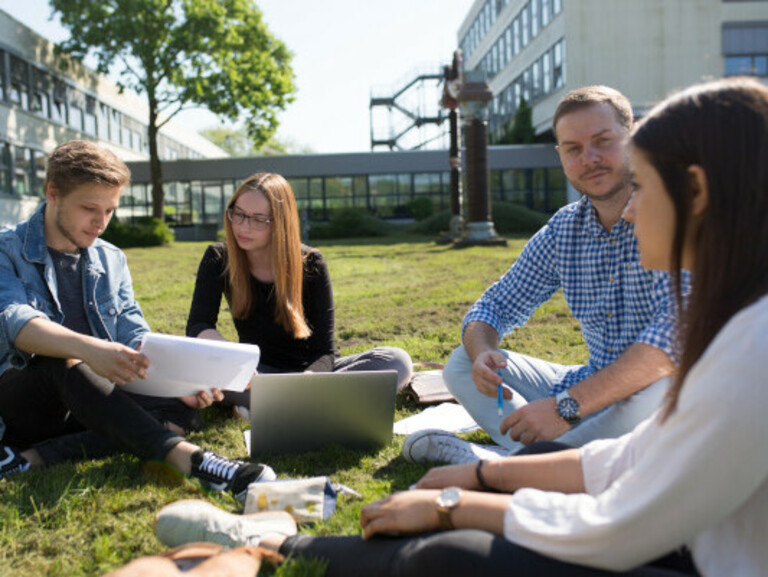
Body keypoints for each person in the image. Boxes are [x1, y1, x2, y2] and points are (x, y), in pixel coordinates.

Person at [154, 77, 768, 576]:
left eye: (644, 182)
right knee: (460, 387)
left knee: (450, 548)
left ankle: (265, 545)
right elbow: (622, 458)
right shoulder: (726, 310)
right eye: (573, 148)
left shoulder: (747, 345)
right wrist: (482, 472)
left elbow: (622, 522)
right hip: (625, 454)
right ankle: (268, 539)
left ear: (697, 192)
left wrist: (458, 503)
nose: (631, 204)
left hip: (664, 505)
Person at [404, 85, 683, 465]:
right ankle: (538, 459)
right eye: (573, 149)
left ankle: (515, 463)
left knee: (660, 388)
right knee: (462, 363)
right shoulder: (564, 229)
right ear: (561, 155)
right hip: (590, 386)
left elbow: (667, 347)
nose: (590, 158)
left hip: (656, 394)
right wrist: (484, 352)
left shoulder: (670, 213)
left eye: (603, 141)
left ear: (633, 138)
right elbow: (495, 305)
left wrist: (563, 409)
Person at [0, 140, 274, 499]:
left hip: (95, 401)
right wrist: (92, 350)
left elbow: (134, 334)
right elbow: (17, 323)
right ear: (53, 194)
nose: (101, 223)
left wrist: (180, 383)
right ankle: (191, 460)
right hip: (28, 401)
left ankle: (30, 459)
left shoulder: (110, 259)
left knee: (183, 408)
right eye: (90, 209)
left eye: (110, 211)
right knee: (62, 358)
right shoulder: (7, 249)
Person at [185, 172, 412, 411]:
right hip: (254, 375)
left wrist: (308, 381)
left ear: (280, 222)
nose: (243, 226)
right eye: (238, 214)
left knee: (397, 361)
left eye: (258, 219)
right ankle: (310, 406)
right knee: (195, 372)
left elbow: (325, 351)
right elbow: (198, 325)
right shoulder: (218, 258)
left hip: (310, 374)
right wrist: (233, 358)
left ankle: (287, 404)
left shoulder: (311, 263)